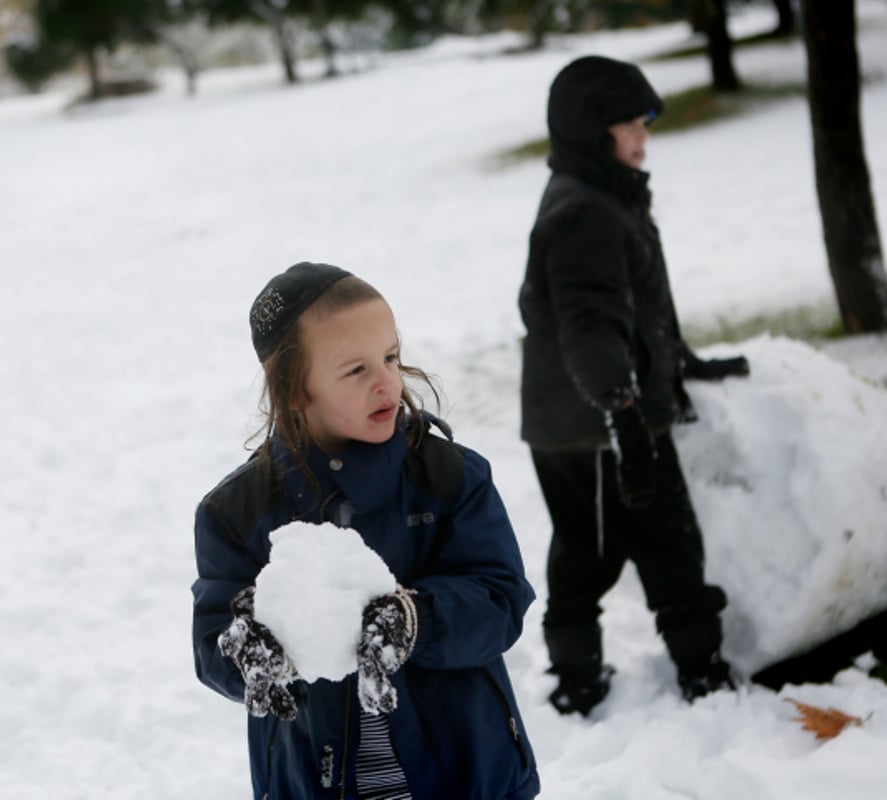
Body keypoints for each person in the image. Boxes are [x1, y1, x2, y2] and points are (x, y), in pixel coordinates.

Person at [193, 262, 540, 799]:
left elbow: (499, 600)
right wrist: (246, 652)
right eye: (355, 370)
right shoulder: (235, 513)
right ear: (293, 391)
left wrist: (413, 619)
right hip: (317, 780)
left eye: (391, 357)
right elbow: (213, 637)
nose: (386, 382)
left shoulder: (449, 477)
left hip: (463, 773)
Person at [518, 56, 751, 716]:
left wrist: (681, 362)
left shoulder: (600, 195)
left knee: (626, 544)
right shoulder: (584, 212)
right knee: (630, 549)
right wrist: (622, 412)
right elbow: (590, 324)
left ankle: (624, 674)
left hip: (589, 417)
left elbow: (634, 308)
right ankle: (664, 675)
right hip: (594, 424)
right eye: (630, 126)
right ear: (594, 133)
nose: (643, 138)